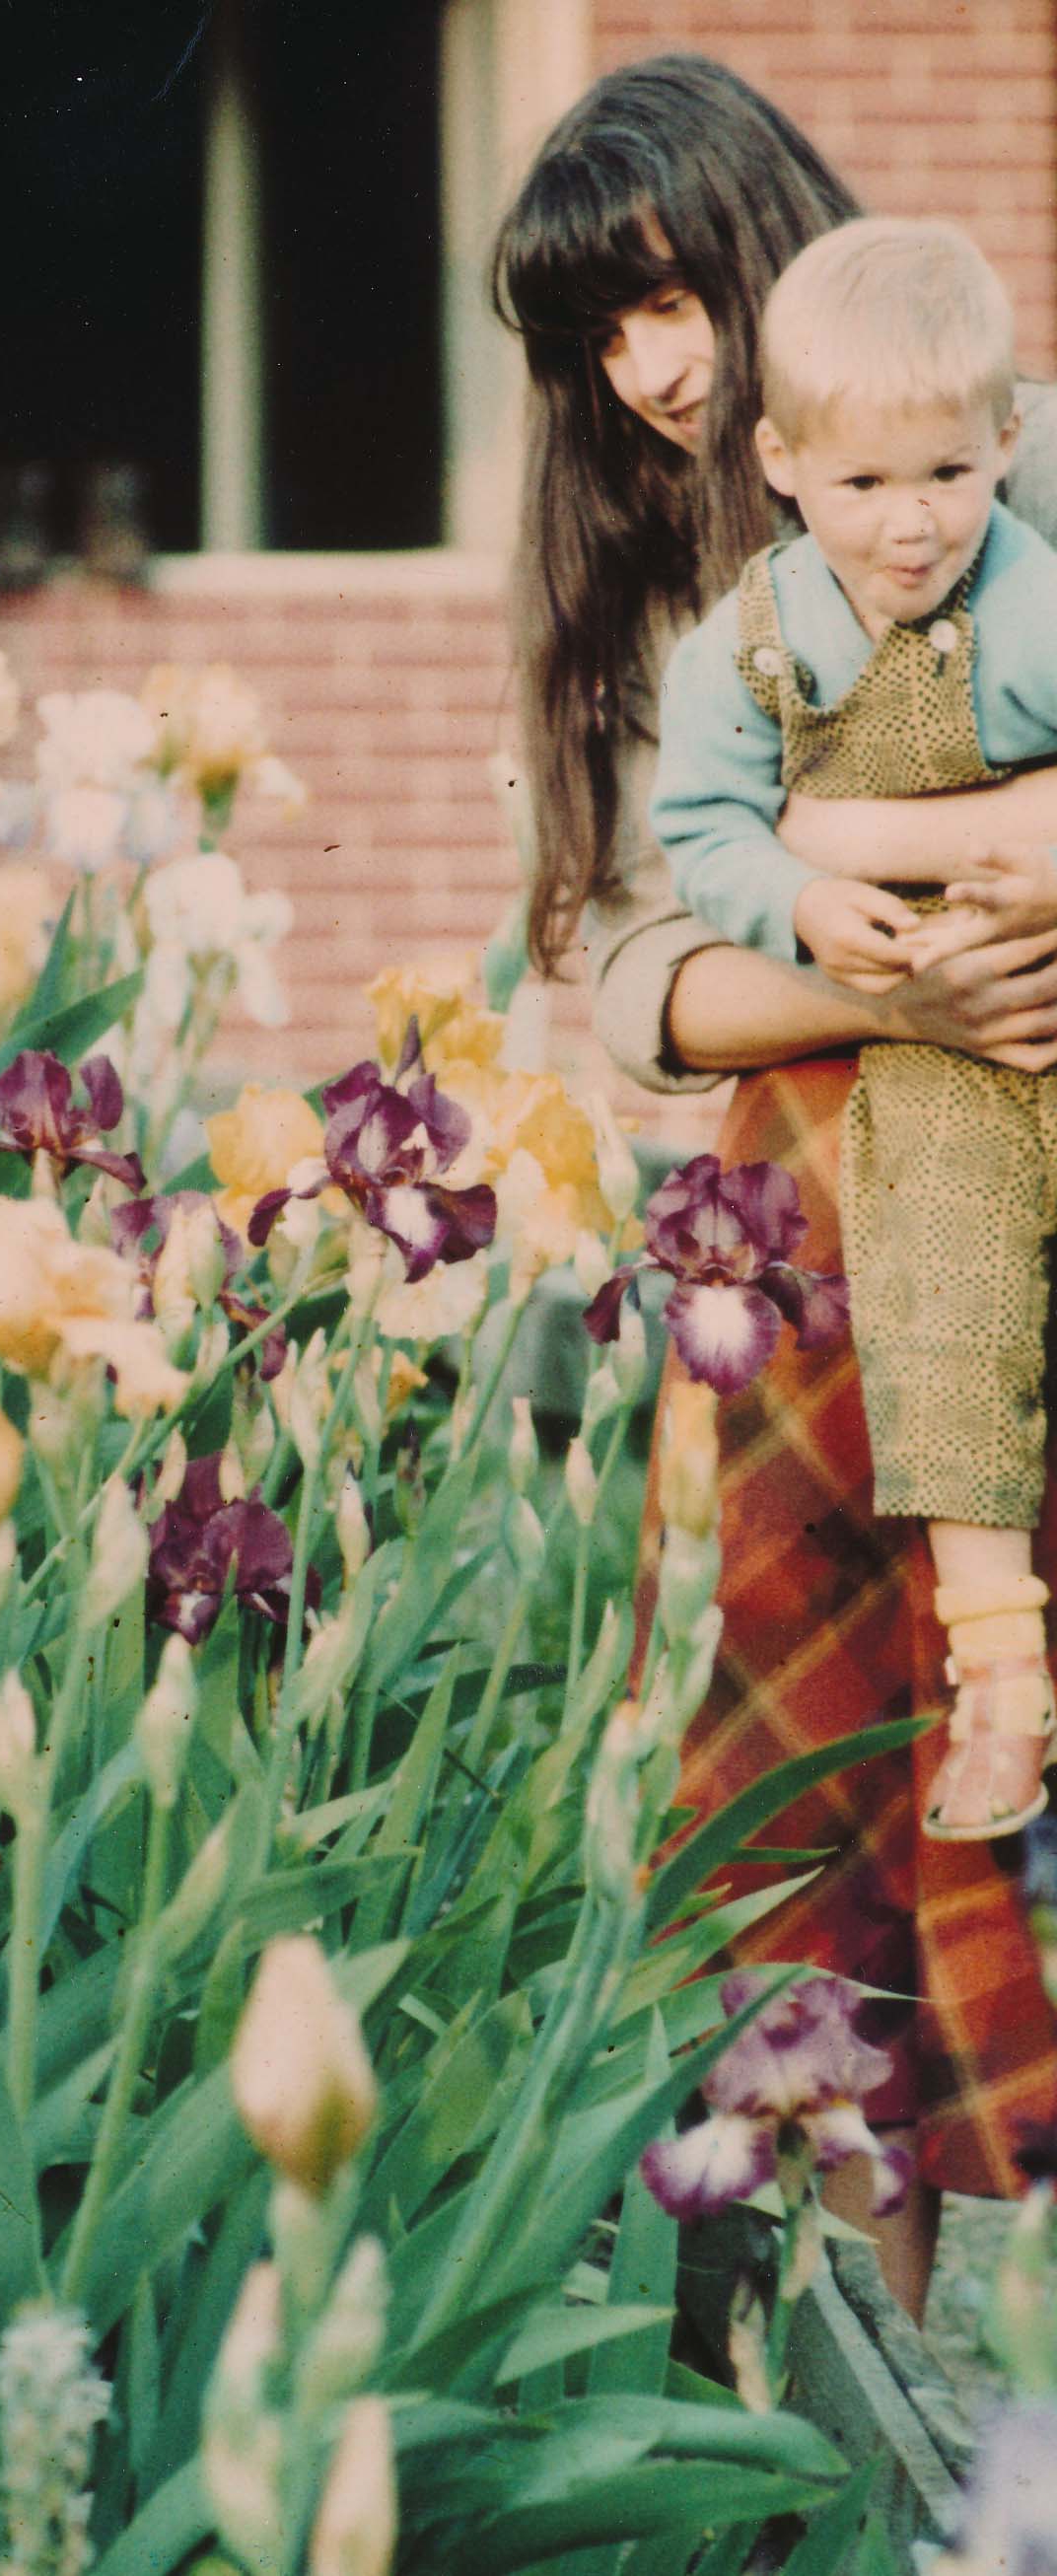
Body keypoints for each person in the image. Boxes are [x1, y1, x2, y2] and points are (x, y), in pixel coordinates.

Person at [491, 53, 1057, 2321]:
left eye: (662, 295)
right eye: (589, 335)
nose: (644, 365)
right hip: (810, 1235)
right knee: (819, 1798)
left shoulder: (999, 458)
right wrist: (894, 981)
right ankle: (863, 2370)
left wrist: (934, 883)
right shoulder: (650, 589)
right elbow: (641, 968)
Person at [652, 216, 1057, 1845]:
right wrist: (799, 897)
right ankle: (1004, 1669)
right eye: (867, 484)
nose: (913, 524)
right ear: (781, 466)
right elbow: (706, 828)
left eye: (949, 475)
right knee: (943, 1276)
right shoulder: (745, 648)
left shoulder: (1037, 604)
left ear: (1008, 442)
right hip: (938, 1045)